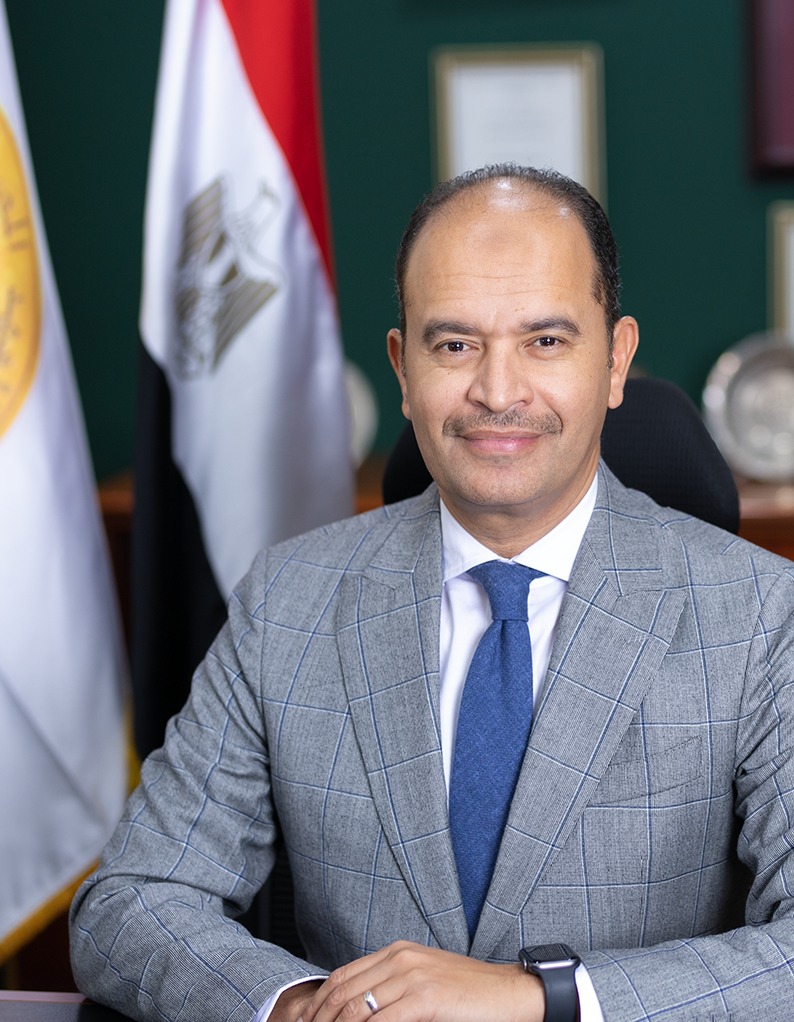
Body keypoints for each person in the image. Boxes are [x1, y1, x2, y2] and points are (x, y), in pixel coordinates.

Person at [70, 165, 794, 1022]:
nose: (498, 391)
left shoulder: (761, 615)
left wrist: (537, 999)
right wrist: (306, 1006)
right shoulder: (288, 600)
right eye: (454, 344)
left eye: (545, 341)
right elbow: (132, 900)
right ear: (403, 369)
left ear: (615, 360)